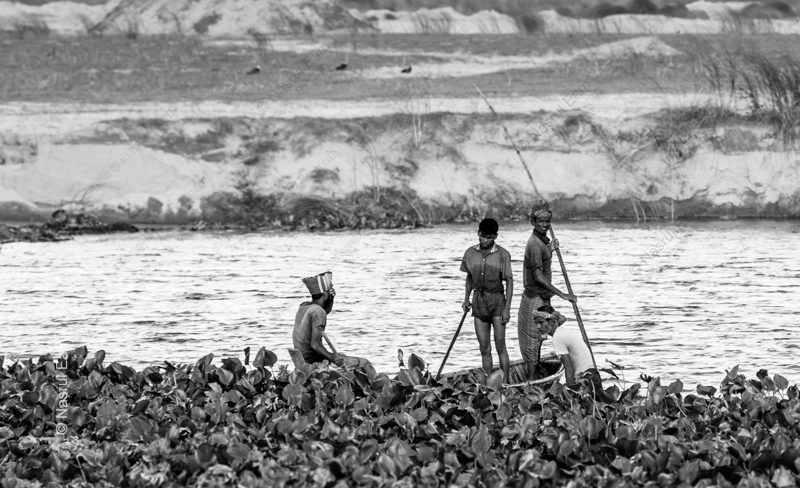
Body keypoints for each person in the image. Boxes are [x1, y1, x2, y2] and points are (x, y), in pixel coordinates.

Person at [519, 201, 577, 380]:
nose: (544, 225)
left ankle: (537, 375)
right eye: (540, 221)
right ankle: (531, 381)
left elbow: (542, 262)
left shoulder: (542, 243)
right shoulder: (535, 244)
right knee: (532, 339)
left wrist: (550, 250)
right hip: (534, 298)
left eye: (547, 221)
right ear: (533, 222)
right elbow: (538, 276)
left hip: (543, 296)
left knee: (548, 329)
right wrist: (563, 294)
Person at [460, 218, 513, 381]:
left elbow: (509, 281)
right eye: (483, 236)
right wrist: (466, 299)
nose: (485, 240)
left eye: (489, 237)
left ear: (495, 236)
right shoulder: (470, 253)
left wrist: (507, 309)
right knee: (484, 347)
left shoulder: (503, 254)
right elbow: (469, 278)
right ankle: (489, 384)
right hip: (479, 302)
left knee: (500, 346)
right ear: (478, 234)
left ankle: (506, 383)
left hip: (497, 302)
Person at [293, 271, 371, 369]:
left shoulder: (304, 306)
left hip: (303, 360)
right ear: (325, 295)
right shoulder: (318, 311)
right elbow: (315, 345)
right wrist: (332, 358)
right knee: (365, 363)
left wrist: (331, 298)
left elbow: (322, 312)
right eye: (329, 293)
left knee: (343, 356)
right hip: (314, 363)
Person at [537, 306, 613, 402]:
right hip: (593, 376)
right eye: (536, 323)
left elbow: (569, 368)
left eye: (541, 322)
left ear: (551, 322)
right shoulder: (563, 331)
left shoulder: (557, 337)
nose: (538, 326)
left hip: (585, 381)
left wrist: (570, 391)